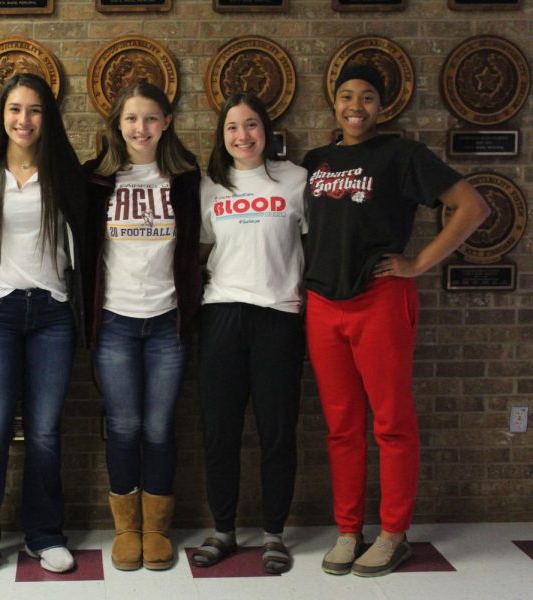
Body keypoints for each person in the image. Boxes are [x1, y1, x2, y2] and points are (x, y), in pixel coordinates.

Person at [302, 64, 490, 577]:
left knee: (391, 423)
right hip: (322, 304)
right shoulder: (316, 161)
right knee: (341, 427)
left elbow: (472, 206)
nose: (355, 106)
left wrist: (419, 263)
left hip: (381, 298)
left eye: (366, 97)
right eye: (346, 96)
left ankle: (392, 534)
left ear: (381, 107)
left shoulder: (402, 155)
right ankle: (348, 530)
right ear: (334, 103)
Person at [0, 73, 88, 583]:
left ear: (47, 117)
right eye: (15, 109)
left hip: (53, 314)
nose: (24, 120)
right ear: (1, 114)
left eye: (34, 110)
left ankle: (45, 535)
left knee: (45, 434)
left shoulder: (66, 175)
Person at [83, 81, 201, 571]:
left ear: (167, 122)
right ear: (118, 124)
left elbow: (200, 245)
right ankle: (126, 528)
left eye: (151, 118)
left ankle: (156, 529)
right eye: (132, 118)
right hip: (115, 321)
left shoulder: (187, 179)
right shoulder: (95, 180)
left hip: (166, 323)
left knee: (158, 426)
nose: (141, 128)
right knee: (125, 426)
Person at [193, 93, 307, 573]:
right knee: (220, 430)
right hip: (221, 315)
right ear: (222, 136)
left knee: (277, 431)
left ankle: (274, 535)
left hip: (279, 316)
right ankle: (223, 531)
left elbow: (312, 245)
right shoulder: (208, 186)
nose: (243, 136)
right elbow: (200, 254)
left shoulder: (296, 180)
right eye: (233, 128)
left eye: (252, 125)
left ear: (268, 129)